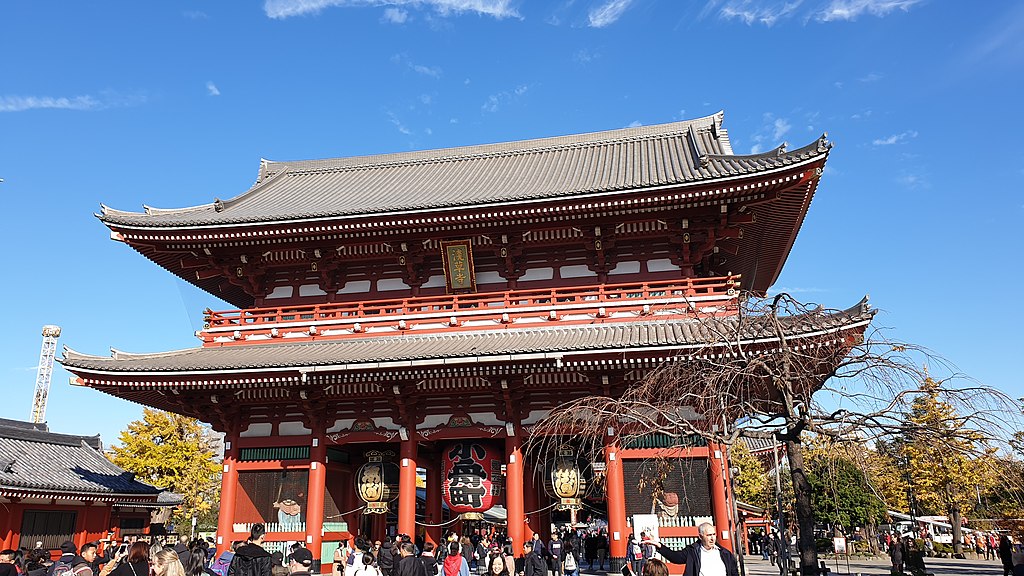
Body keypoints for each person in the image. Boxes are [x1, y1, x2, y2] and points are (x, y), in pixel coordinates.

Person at [649, 523, 739, 576]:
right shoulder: (693, 551)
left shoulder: (724, 553)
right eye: (708, 535)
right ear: (700, 536)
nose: (712, 538)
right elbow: (675, 557)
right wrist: (659, 545)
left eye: (713, 534)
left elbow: (734, 573)